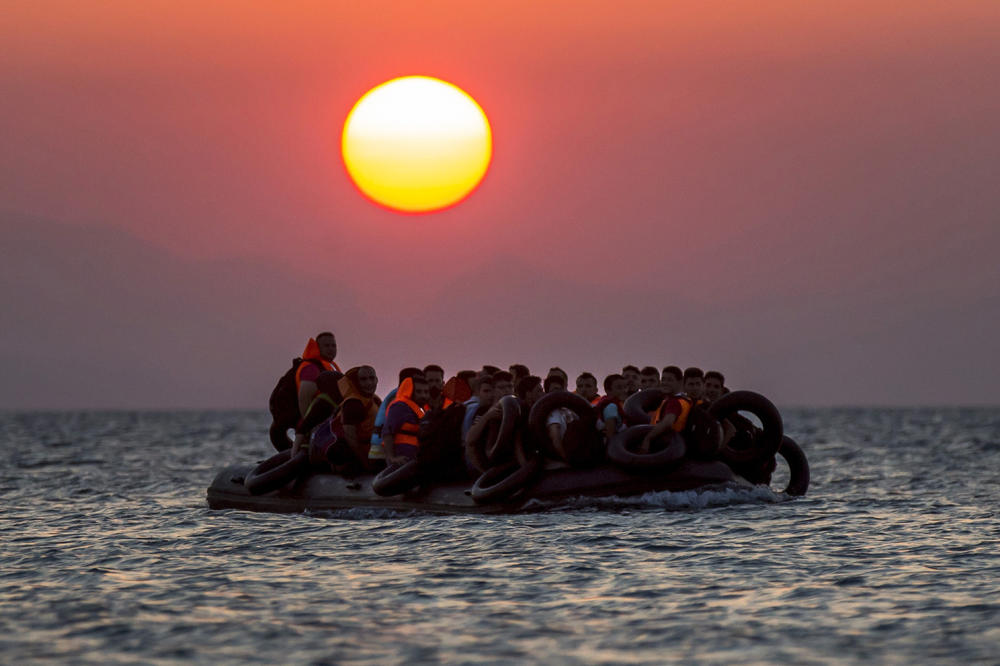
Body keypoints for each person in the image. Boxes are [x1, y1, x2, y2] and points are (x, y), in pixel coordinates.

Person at [294, 366, 380, 474]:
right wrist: (367, 465)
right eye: (363, 379)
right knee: (341, 452)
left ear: (377, 380)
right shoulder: (352, 404)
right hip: (346, 452)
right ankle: (341, 469)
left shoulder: (374, 400)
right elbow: (351, 439)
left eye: (372, 378)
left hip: (369, 448)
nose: (369, 383)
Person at [369, 367, 423, 464]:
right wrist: (392, 458)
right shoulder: (398, 402)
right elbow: (388, 431)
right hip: (382, 454)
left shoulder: (404, 398)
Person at [382, 375, 431, 464]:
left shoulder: (423, 410)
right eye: (419, 392)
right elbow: (387, 432)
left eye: (426, 392)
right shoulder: (399, 407)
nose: (423, 395)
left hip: (415, 459)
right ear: (410, 392)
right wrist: (392, 458)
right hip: (401, 461)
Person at [297, 332, 342, 419]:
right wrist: (308, 426)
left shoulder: (332, 366)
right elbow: (304, 399)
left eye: (333, 346)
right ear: (317, 348)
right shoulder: (311, 368)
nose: (331, 349)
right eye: (327, 346)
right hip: (316, 423)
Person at [594, 374, 628, 442]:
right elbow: (610, 433)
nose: (624, 390)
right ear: (608, 390)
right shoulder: (611, 406)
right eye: (619, 388)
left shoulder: (610, 403)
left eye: (625, 387)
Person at [461, 375, 495, 439]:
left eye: (493, 390)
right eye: (486, 391)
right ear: (478, 392)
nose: (490, 395)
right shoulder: (468, 409)